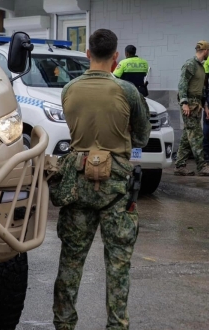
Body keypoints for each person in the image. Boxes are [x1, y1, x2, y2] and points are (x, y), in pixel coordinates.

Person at [52, 29, 152, 330]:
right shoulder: (127, 91)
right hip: (117, 186)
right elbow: (143, 135)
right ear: (116, 57)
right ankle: (116, 325)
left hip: (77, 181)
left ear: (87, 54)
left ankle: (64, 323)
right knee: (118, 264)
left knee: (70, 261)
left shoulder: (69, 88)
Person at [173, 40, 209, 176]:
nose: (208, 55)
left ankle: (180, 165)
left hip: (197, 103)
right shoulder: (190, 64)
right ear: (205, 51)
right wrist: (184, 103)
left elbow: (202, 89)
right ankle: (202, 166)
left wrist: (206, 106)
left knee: (188, 136)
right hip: (190, 104)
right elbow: (182, 84)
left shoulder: (201, 66)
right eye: (208, 52)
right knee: (197, 135)